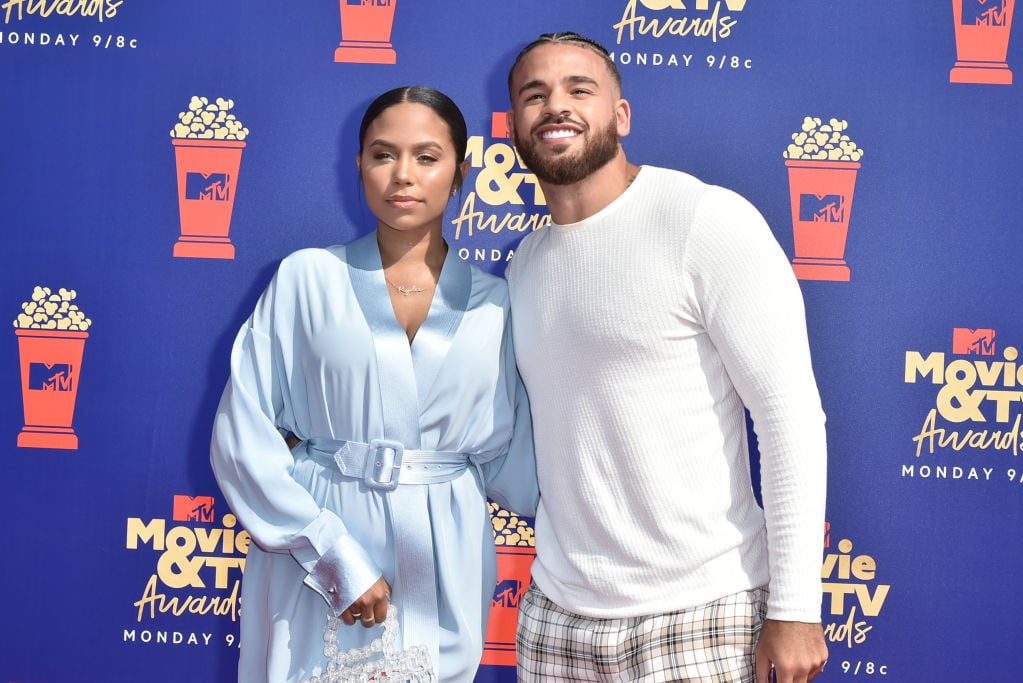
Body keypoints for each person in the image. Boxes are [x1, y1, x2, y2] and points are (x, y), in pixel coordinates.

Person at [504, 32, 829, 683]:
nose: (555, 106)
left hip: (699, 613)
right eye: (534, 95)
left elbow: (788, 415)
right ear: (513, 126)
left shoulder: (703, 220)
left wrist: (795, 606)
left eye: (578, 89)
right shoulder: (523, 266)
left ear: (621, 116)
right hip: (556, 622)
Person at [210, 85, 537, 683]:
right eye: (383, 154)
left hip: (445, 550)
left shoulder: (500, 304)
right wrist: (330, 554)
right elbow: (243, 433)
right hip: (322, 537)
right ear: (358, 164)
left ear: (462, 171)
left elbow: (522, 463)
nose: (403, 175)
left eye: (427, 156)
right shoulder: (307, 279)